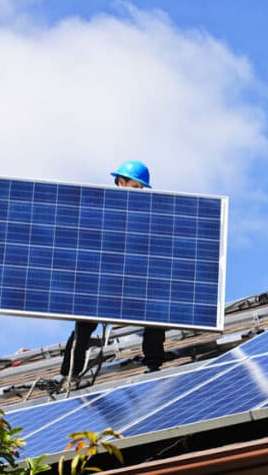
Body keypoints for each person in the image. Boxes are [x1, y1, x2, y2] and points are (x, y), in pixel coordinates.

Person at [60, 160, 166, 380]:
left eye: (141, 189)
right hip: (103, 277)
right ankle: (69, 373)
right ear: (120, 182)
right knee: (86, 321)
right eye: (135, 187)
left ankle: (154, 362)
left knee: (155, 310)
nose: (138, 193)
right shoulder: (100, 208)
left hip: (132, 277)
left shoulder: (147, 214)